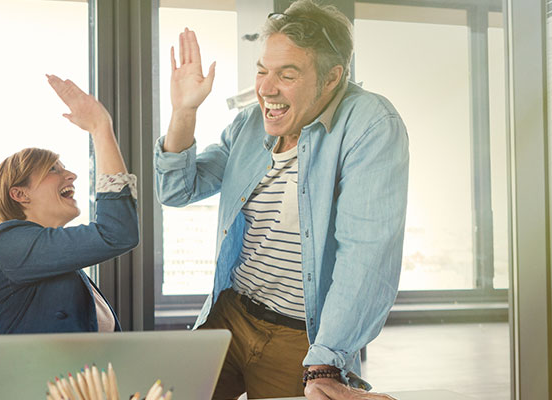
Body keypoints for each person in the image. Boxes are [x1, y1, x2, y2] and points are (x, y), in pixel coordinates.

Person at [154, 1, 408, 399]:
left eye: (287, 75)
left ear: (331, 78)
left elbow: (367, 254)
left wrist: (326, 361)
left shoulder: (370, 124)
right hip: (230, 315)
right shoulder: (251, 122)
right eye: (262, 71)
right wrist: (183, 110)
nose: (266, 89)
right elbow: (177, 189)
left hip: (300, 337)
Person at [0, 75, 139, 334]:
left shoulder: (69, 268)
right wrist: (101, 129)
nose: (71, 175)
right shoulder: (10, 242)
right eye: (53, 170)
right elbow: (117, 232)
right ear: (20, 194)